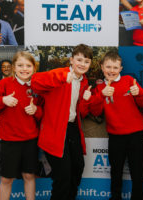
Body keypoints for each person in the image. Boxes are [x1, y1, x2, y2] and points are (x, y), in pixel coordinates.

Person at [31, 44, 93, 200]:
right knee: (63, 176)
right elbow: (35, 82)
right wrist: (61, 78)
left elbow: (82, 113)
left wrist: (85, 101)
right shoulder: (61, 73)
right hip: (54, 130)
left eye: (86, 61)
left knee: (78, 168)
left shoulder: (84, 82)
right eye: (79, 60)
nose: (82, 64)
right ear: (71, 60)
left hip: (72, 129)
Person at [89, 51, 143, 200]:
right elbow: (95, 112)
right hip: (115, 136)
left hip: (136, 134)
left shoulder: (129, 80)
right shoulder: (98, 88)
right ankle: (115, 197)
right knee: (116, 171)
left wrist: (139, 93)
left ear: (121, 68)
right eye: (108, 67)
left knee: (137, 171)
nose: (112, 71)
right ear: (102, 67)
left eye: (115, 67)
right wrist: (102, 94)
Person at [0, 51, 42, 200]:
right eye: (20, 65)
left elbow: (44, 113)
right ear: (14, 68)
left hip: (30, 140)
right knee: (6, 179)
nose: (24, 69)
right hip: (10, 141)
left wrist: (36, 110)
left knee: (29, 176)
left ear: (34, 68)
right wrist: (3, 100)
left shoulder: (38, 86)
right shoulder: (5, 83)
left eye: (28, 65)